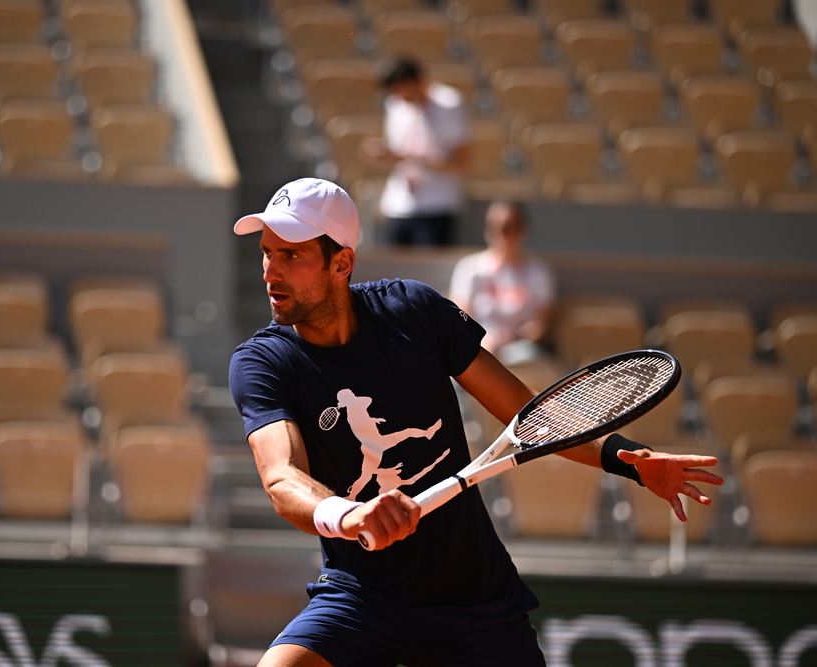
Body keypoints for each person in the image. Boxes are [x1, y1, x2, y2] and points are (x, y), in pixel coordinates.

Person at [228, 177, 723, 667]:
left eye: (291, 255)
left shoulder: (413, 310)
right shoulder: (262, 362)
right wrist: (348, 515)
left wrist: (630, 461)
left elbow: (531, 413)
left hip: (475, 605)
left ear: (342, 263)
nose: (271, 271)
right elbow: (282, 478)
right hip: (362, 597)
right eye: (267, 252)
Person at [361, 59, 469, 247]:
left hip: (437, 205)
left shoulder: (449, 103)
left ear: (415, 82)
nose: (400, 97)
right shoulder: (395, 104)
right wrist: (385, 155)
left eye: (402, 90)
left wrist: (407, 157)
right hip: (399, 205)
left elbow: (461, 161)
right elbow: (397, 152)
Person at [448, 201, 556, 365]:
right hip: (477, 344)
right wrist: (487, 340)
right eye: (498, 227)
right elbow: (460, 317)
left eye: (512, 227)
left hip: (519, 347)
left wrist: (511, 337)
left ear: (523, 230)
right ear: (487, 230)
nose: (505, 234)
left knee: (529, 358)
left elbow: (540, 324)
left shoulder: (539, 272)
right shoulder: (469, 267)